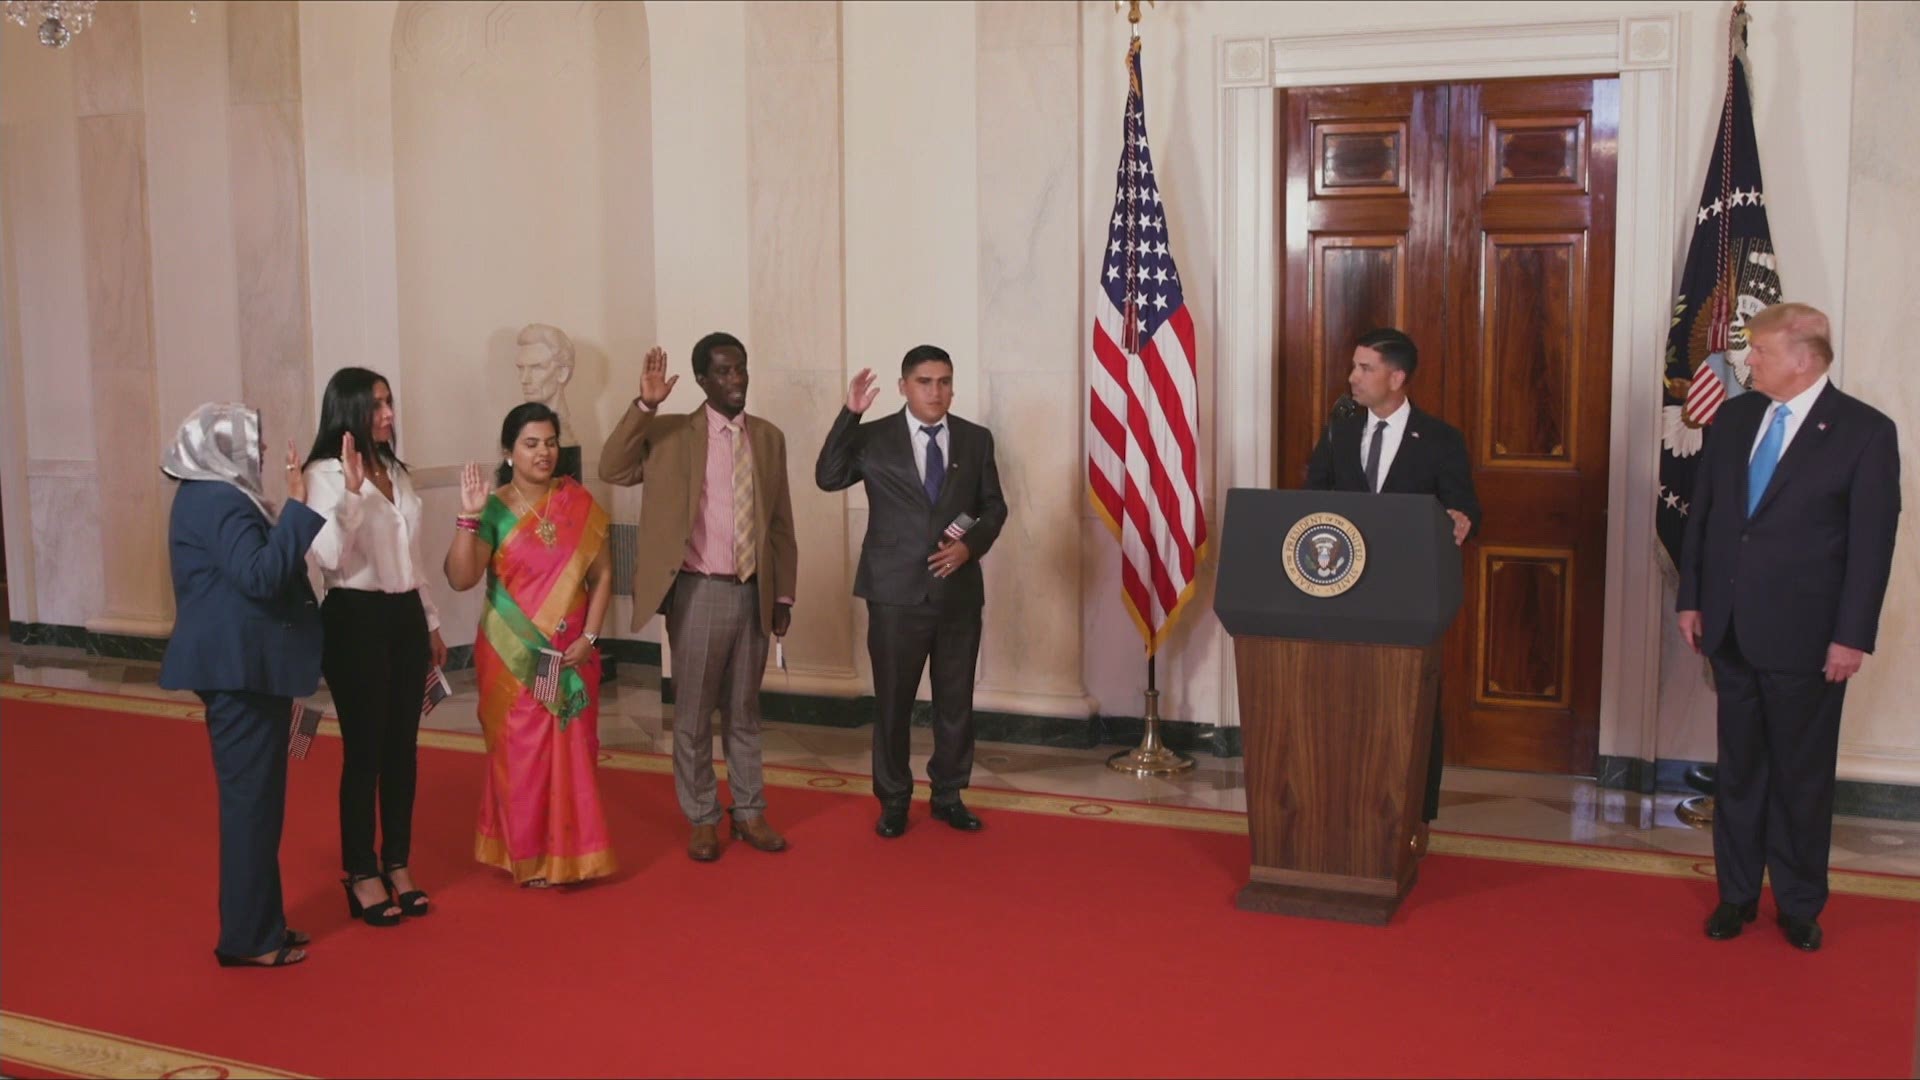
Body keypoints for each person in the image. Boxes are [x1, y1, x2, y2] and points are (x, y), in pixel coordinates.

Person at [1677, 302, 1899, 952]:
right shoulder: (1736, 415)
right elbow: (1707, 518)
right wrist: (1692, 599)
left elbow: (1870, 545)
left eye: (1761, 352)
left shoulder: (1864, 432)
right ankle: (1736, 896)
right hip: (1731, 628)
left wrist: (1852, 635)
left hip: (1810, 639)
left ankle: (1800, 903)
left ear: (1802, 359)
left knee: (1802, 776)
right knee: (1739, 771)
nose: (1748, 362)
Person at [598, 333, 798, 862]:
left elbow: (780, 525)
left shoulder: (770, 438)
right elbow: (612, 468)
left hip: (755, 590)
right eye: (725, 373)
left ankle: (751, 811)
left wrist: (785, 597)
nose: (737, 381)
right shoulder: (668, 434)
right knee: (692, 714)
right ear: (704, 381)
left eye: (742, 370)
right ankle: (703, 817)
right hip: (698, 591)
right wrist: (645, 405)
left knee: (744, 710)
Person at [815, 345, 1008, 838]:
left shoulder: (974, 439)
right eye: (925, 381)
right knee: (894, 702)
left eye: (944, 381)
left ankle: (948, 795)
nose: (936, 391)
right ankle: (894, 800)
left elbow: (994, 508)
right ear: (903, 386)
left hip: (958, 592)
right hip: (894, 591)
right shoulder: (873, 437)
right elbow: (828, 477)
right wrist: (849, 414)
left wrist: (971, 549)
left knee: (955, 701)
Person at [157, 402, 325, 968]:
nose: (256, 454)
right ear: (216, 450)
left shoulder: (213, 497)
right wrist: (298, 508)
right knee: (251, 807)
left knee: (257, 805)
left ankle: (262, 924)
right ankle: (250, 939)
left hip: (245, 667)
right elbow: (259, 575)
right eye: (248, 446)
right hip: (238, 670)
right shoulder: (218, 499)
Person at [1304, 327, 1480, 854]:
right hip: (1341, 594)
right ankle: (1341, 805)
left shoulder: (1441, 438)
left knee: (1413, 705)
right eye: (1354, 367)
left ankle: (1415, 816)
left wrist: (1462, 518)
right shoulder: (1338, 431)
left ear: (1396, 377)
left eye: (1364, 368)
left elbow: (1466, 506)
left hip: (1409, 599)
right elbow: (1311, 501)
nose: (1352, 377)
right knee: (1346, 702)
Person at [445, 403, 617, 887]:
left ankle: (572, 855)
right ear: (508, 450)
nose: (544, 453)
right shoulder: (494, 507)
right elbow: (461, 577)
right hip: (512, 656)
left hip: (572, 654)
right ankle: (528, 855)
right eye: (531, 443)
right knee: (521, 756)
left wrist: (590, 636)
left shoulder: (578, 502)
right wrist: (467, 517)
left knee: (573, 753)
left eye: (550, 442)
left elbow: (603, 575)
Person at [302, 368, 445, 927]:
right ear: (349, 411)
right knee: (364, 752)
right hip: (353, 618)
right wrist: (354, 495)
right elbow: (331, 557)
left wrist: (430, 622)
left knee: (402, 750)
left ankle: (398, 862)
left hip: (403, 614)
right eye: (377, 405)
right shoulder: (325, 474)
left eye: (390, 402)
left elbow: (411, 559)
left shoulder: (394, 469)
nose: (388, 414)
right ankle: (361, 871)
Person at [515, 324, 584, 481]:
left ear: (562, 372)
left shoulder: (565, 438)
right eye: (521, 368)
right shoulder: (518, 430)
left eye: (536, 368)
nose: (524, 379)